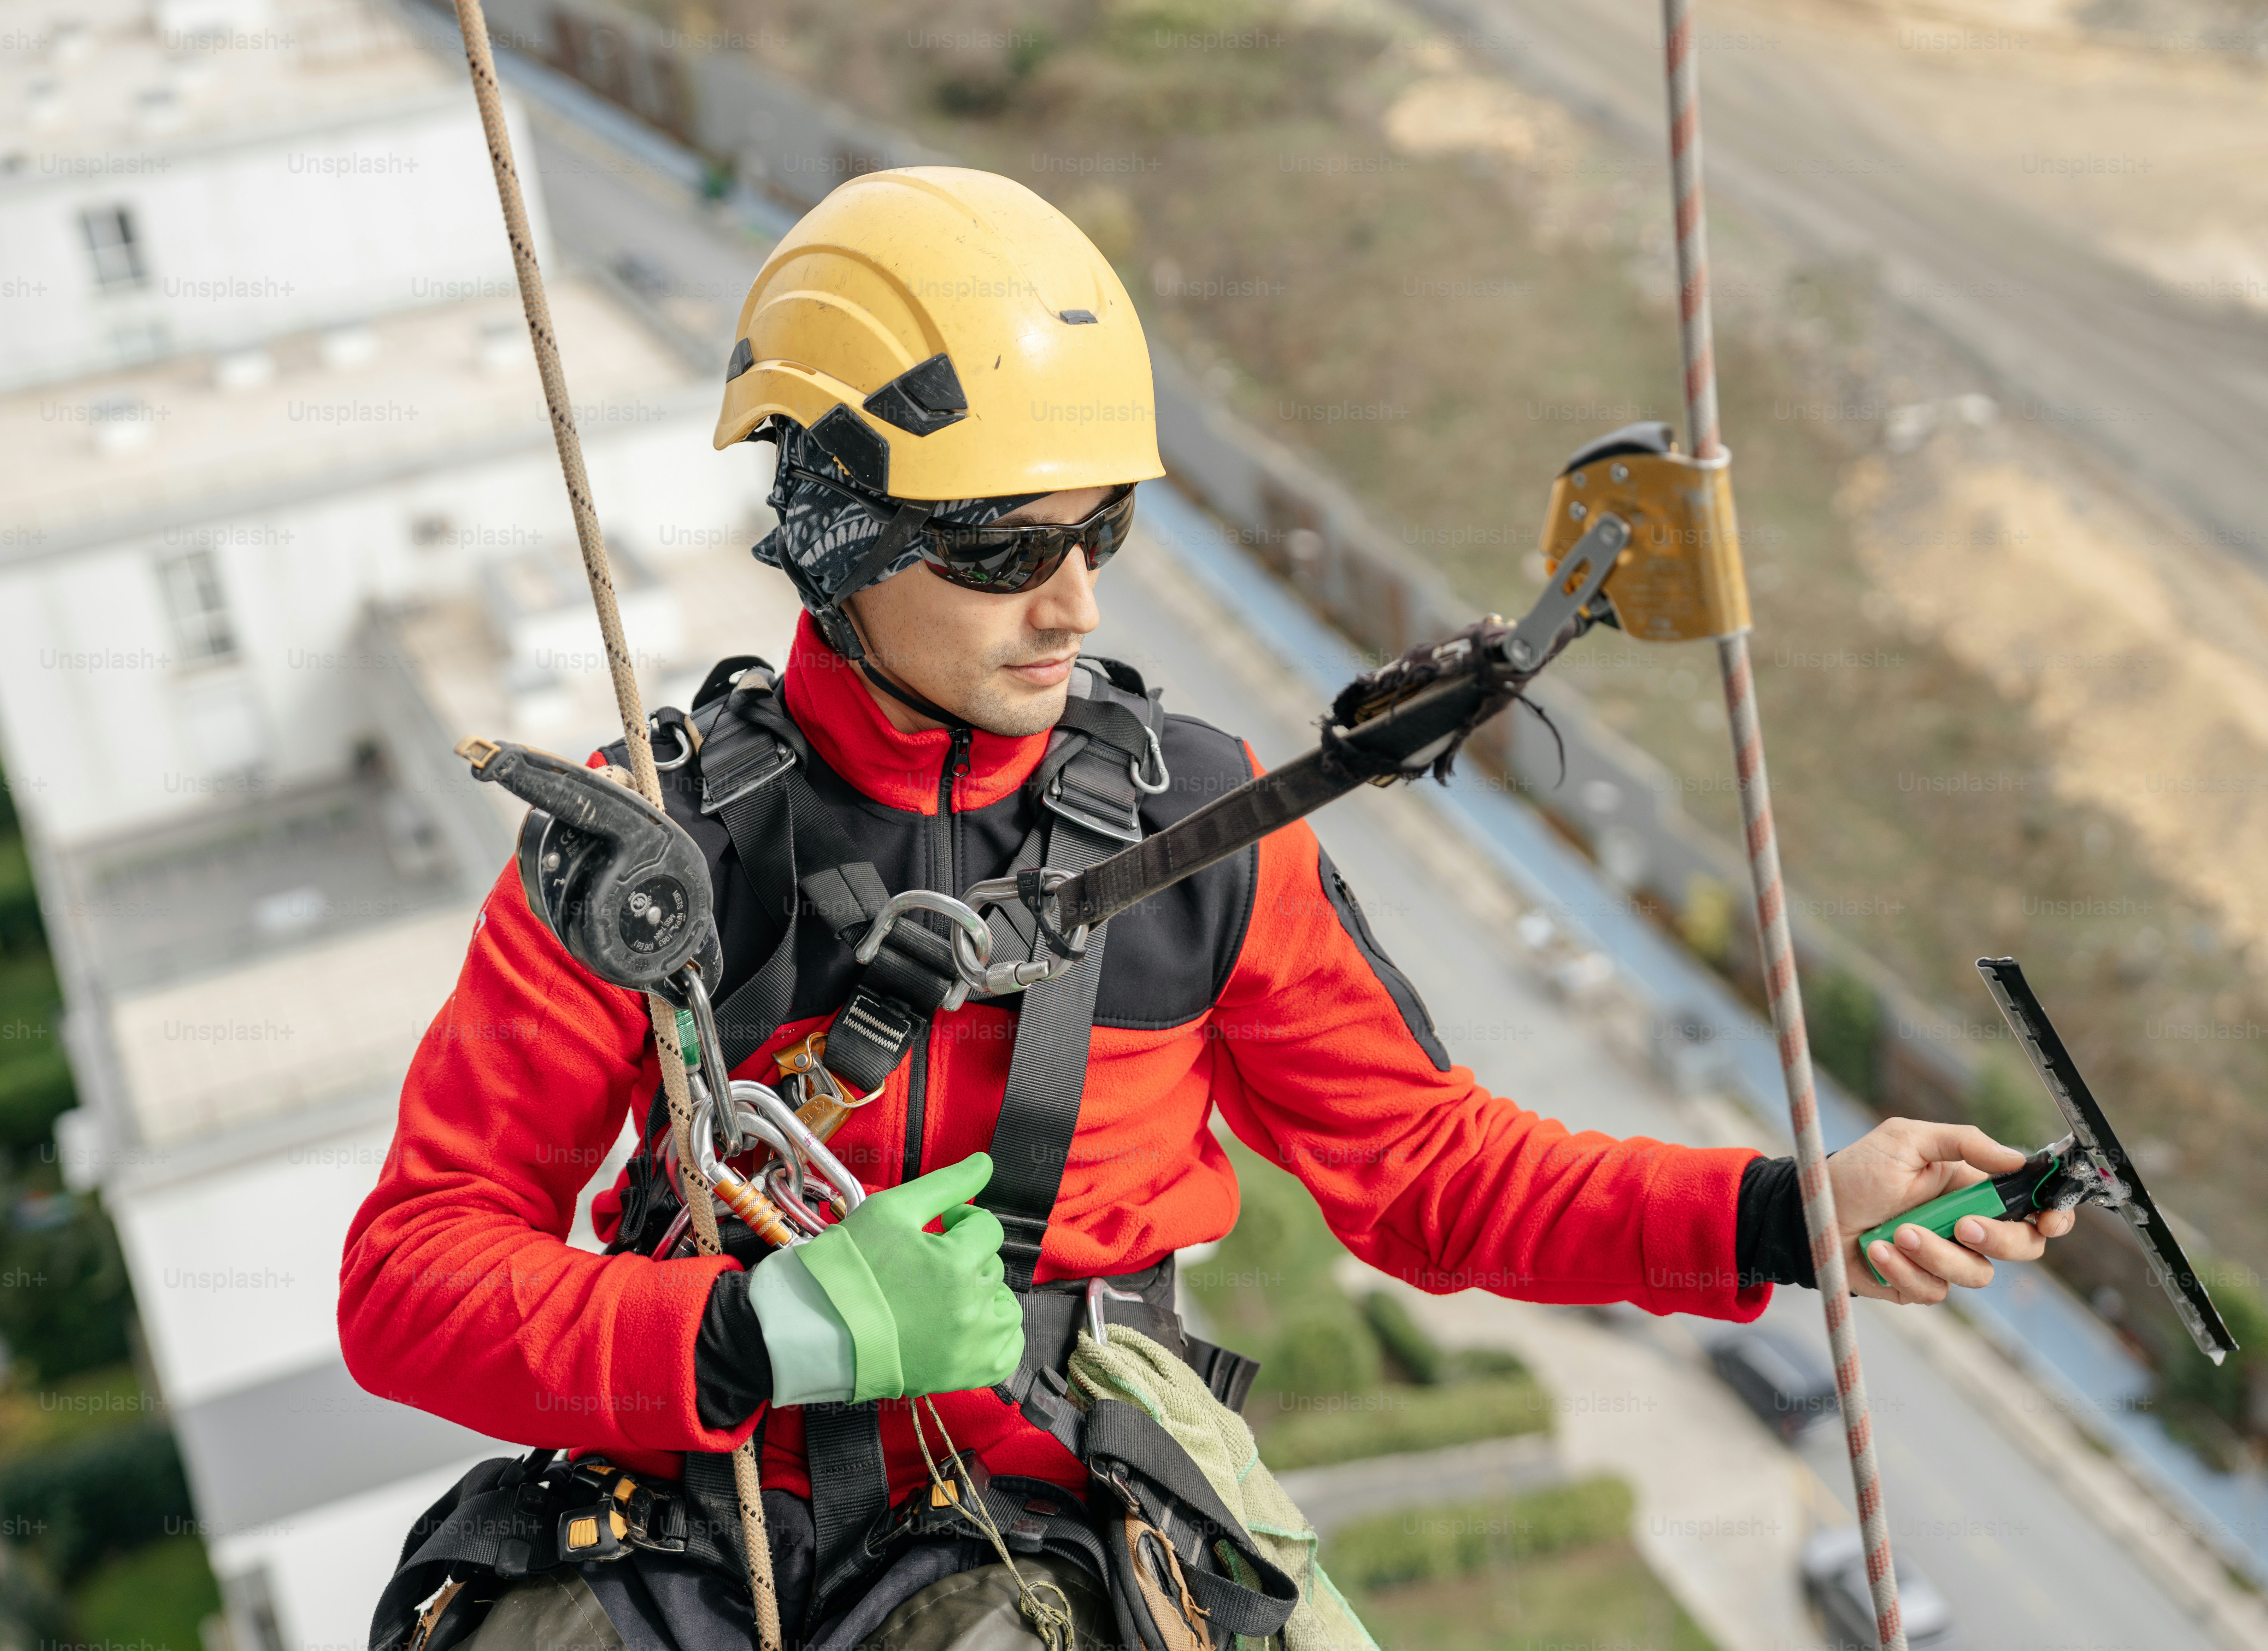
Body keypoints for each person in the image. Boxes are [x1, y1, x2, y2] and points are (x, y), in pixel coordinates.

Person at [341, 166, 2074, 1651]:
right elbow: (409, 1276)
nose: (1071, 600)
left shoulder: (1204, 835)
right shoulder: (654, 866)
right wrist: (744, 1332)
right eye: (1005, 550)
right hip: (706, 1528)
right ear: (843, 534)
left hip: (1074, 1528)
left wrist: (1787, 1214)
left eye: (1105, 532)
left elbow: (1431, 1173)